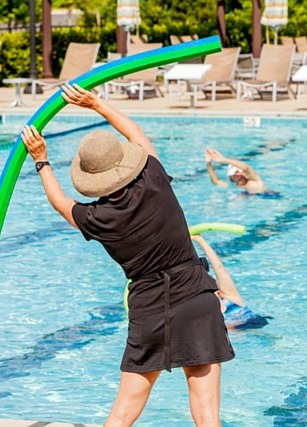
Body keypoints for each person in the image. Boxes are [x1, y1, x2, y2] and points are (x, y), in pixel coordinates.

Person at [21, 83, 234, 426]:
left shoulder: (97, 218)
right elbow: (135, 131)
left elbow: (61, 203)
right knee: (207, 413)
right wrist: (95, 103)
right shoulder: (154, 176)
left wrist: (41, 159)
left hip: (150, 307)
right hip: (195, 295)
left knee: (123, 411)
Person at [191, 234, 269, 330]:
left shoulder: (207, 310)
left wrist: (200, 240)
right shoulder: (230, 297)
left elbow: (219, 267)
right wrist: (200, 240)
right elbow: (219, 267)